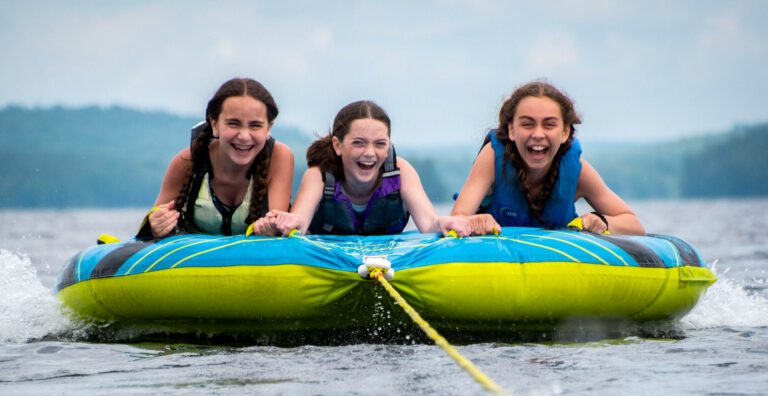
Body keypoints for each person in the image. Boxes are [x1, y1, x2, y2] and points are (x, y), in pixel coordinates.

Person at [451, 81, 644, 235]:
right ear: (511, 130)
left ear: (565, 132)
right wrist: (473, 221)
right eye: (527, 124)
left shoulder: (576, 170)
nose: (538, 134)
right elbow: (457, 217)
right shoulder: (493, 159)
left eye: (549, 125)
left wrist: (602, 222)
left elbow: (633, 223)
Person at [252, 100, 470, 237]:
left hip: (385, 265)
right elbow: (300, 221)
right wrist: (285, 222)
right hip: (330, 266)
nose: (369, 152)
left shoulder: (401, 172)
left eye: (380, 144)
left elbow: (429, 224)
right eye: (358, 142)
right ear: (338, 145)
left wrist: (444, 222)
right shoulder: (318, 176)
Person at [143, 78, 294, 238]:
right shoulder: (185, 162)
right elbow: (153, 229)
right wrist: (157, 226)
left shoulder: (279, 158)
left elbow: (279, 230)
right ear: (214, 125)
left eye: (255, 125)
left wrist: (273, 228)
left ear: (268, 128)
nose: (244, 136)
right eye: (233, 124)